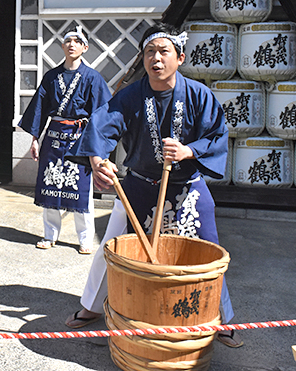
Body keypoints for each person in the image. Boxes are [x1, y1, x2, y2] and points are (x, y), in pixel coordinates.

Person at [63, 23, 242, 347]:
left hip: (187, 186)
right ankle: (90, 307)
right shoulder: (130, 95)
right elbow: (102, 126)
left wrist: (189, 151)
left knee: (208, 253)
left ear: (180, 57)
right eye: (149, 52)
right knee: (111, 247)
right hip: (140, 185)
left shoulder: (199, 95)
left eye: (164, 51)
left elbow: (217, 135)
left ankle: (220, 318)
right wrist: (97, 159)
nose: (156, 59)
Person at [18, 26, 111, 255]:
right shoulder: (51, 76)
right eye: (68, 40)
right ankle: (49, 235)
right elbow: (39, 107)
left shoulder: (93, 78)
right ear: (62, 46)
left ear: (85, 47)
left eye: (77, 41)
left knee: (81, 188)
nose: (72, 44)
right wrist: (35, 138)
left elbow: (103, 114)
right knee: (50, 185)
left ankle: (85, 239)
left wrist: (99, 146)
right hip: (54, 133)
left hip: (80, 137)